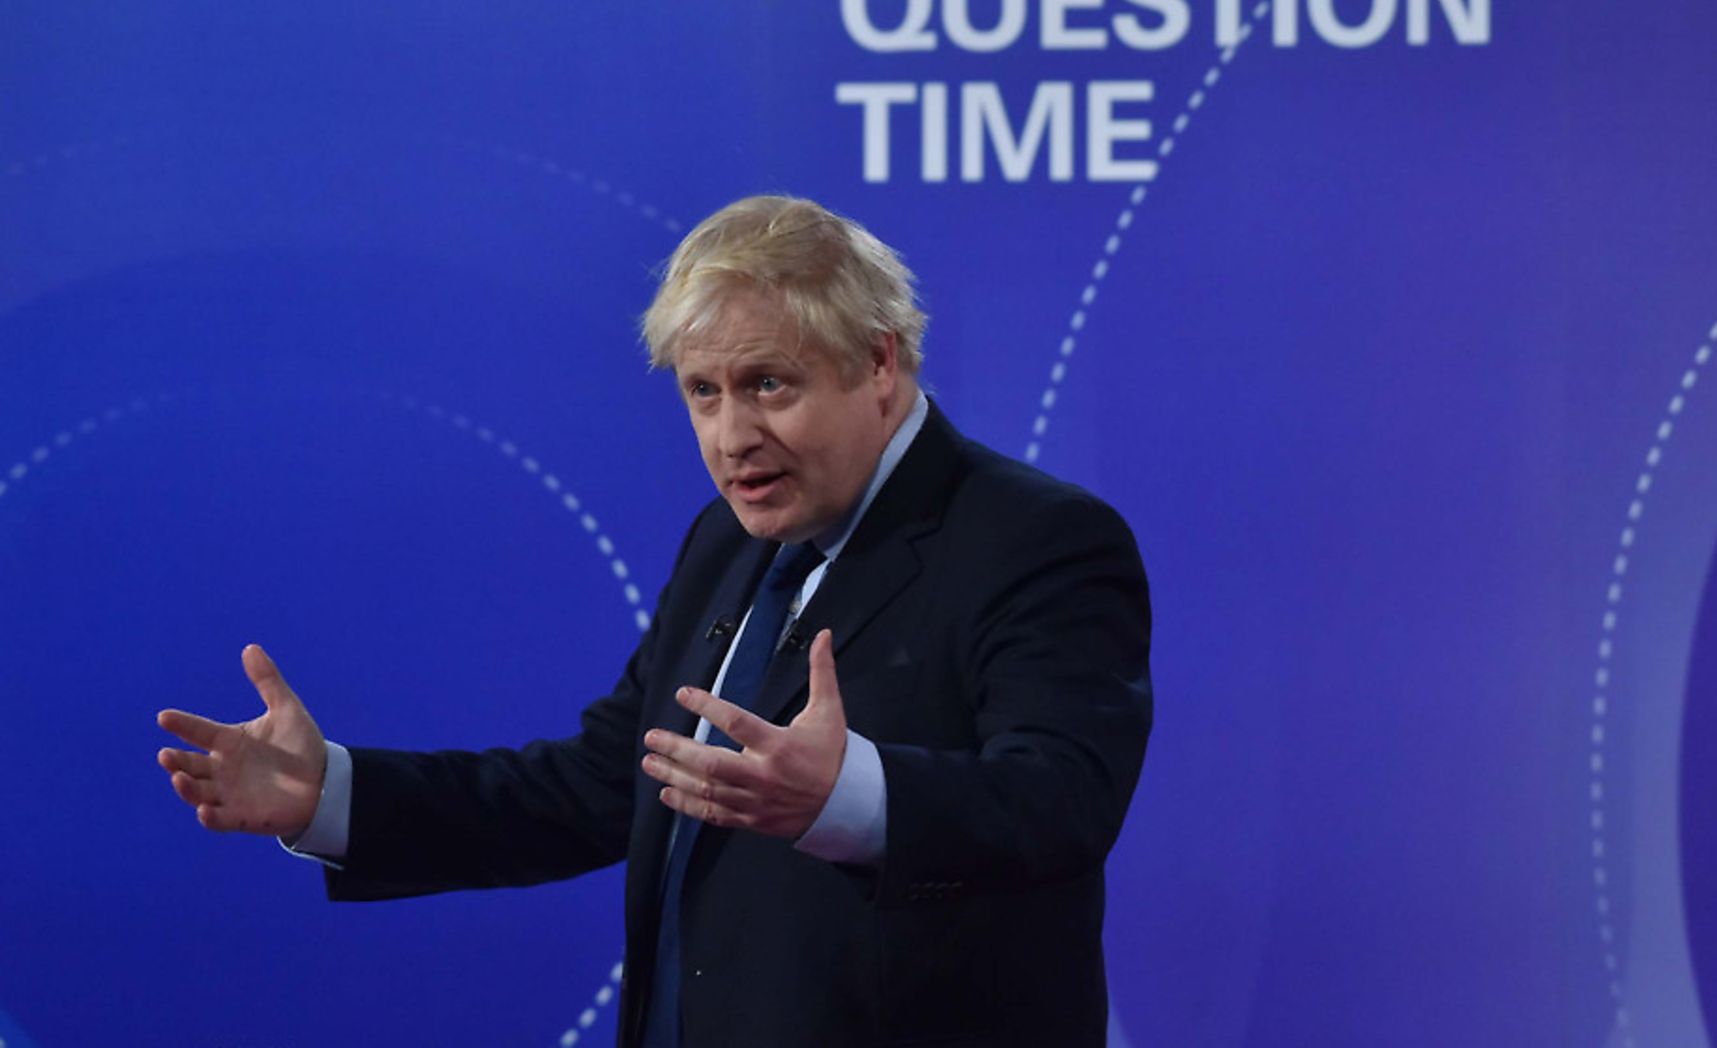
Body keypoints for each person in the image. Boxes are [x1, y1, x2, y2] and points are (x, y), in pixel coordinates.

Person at [157, 195, 1153, 1047]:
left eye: (770, 384)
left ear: (880, 365)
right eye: (703, 392)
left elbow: (1062, 800)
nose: (732, 437)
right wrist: (334, 794)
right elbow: (607, 782)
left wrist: (850, 796)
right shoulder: (730, 541)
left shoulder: (1037, 539)